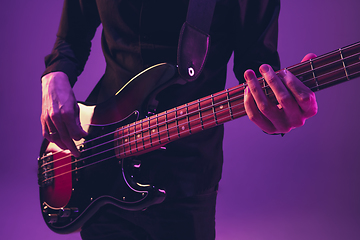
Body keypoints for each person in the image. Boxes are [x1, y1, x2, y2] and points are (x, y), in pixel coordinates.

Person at [40, 0, 318, 239]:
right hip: (98, 157)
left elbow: (257, 68)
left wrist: (276, 109)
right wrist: (55, 75)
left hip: (185, 179)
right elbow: (71, 37)